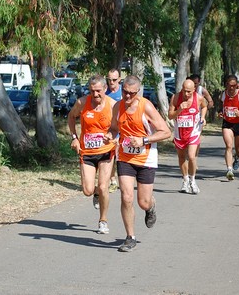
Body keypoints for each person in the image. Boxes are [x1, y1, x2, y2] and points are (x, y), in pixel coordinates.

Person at [104, 75, 171, 252]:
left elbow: (166, 132)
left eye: (131, 94)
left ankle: (151, 206)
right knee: (126, 196)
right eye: (125, 92)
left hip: (146, 158)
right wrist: (109, 136)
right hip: (125, 157)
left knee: (143, 202)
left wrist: (144, 140)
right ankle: (130, 237)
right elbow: (114, 128)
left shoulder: (146, 106)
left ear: (138, 93)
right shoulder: (118, 107)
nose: (127, 97)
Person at [68, 74, 116, 234]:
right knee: (88, 190)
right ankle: (95, 193)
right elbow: (70, 117)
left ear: (105, 89)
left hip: (106, 151)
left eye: (98, 91)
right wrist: (74, 137)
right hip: (87, 152)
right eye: (92, 91)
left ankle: (103, 220)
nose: (95, 94)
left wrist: (113, 136)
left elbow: (120, 126)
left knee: (104, 187)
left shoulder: (113, 105)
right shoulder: (82, 103)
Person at [168, 79, 208, 195]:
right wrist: (179, 109)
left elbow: (204, 106)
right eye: (184, 91)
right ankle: (185, 180)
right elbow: (170, 116)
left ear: (194, 90)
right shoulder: (175, 98)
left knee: (191, 156)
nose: (186, 94)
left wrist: (203, 117)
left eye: (189, 92)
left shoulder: (199, 98)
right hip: (179, 132)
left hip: (193, 132)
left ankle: (193, 180)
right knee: (181, 157)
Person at [105, 68, 123, 192]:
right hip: (110, 128)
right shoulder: (104, 92)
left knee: (121, 155)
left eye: (114, 80)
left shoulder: (124, 92)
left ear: (119, 80)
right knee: (111, 154)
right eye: (109, 79)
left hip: (124, 127)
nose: (111, 82)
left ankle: (123, 179)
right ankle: (112, 180)